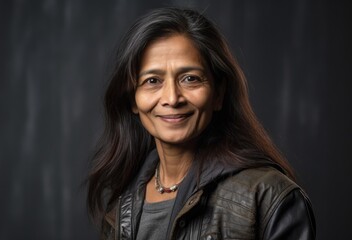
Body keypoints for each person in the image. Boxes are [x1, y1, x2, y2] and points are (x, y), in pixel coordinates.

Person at [87, 7, 316, 240]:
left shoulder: (268, 197)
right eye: (152, 81)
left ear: (218, 94)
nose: (172, 98)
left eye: (190, 79)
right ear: (132, 100)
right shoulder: (122, 206)